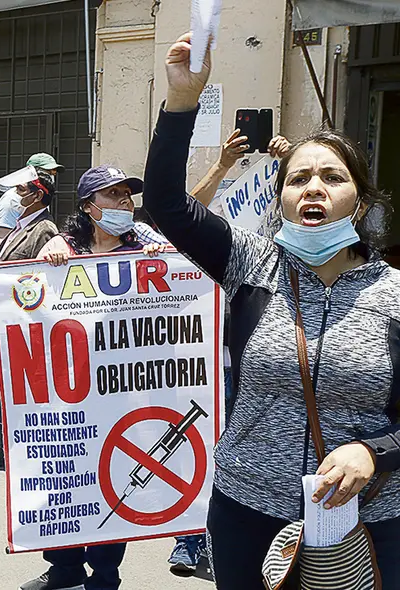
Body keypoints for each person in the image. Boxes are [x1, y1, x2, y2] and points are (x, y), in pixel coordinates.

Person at [143, 32, 400, 589]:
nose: (314, 188)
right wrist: (183, 101)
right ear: (279, 196)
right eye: (298, 178)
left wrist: (376, 453)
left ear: (361, 197)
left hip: (370, 520)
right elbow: (165, 204)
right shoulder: (250, 263)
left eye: (333, 177)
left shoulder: (394, 294)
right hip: (248, 510)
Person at [15, 165, 156, 590]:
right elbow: (29, 297)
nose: (124, 203)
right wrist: (50, 253)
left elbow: (182, 253)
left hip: (121, 390)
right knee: (65, 478)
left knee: (113, 481)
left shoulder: (146, 243)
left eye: (127, 195)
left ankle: (105, 574)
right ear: (89, 206)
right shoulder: (66, 244)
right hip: (69, 388)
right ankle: (64, 568)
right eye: (113, 195)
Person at [165, 130, 289, 577]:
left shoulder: (271, 244)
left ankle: (242, 539)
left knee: (237, 446)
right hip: (195, 353)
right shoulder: (211, 235)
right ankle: (189, 539)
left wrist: (289, 160)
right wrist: (221, 165)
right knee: (190, 443)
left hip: (243, 357)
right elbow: (176, 210)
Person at [0, 171, 59, 471]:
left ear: (37, 195)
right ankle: (1, 446)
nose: (15, 196)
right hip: (4, 320)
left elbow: (36, 277)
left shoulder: (44, 229)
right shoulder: (22, 226)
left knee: (1, 386)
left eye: (21, 190)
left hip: (21, 323)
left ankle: (0, 450)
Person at [0, 153, 64, 249]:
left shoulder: (39, 197)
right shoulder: (11, 200)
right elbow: (2, 239)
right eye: (47, 171)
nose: (50, 176)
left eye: (53, 173)